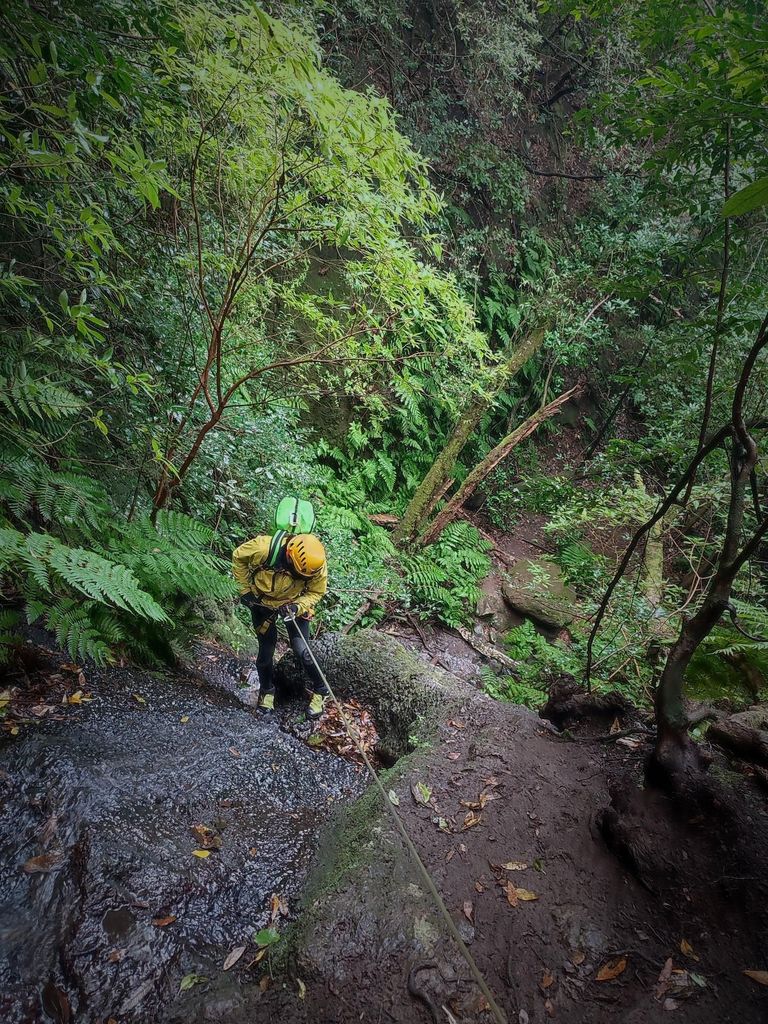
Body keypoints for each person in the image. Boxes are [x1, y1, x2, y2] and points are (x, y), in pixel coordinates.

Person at [232, 532, 329, 718]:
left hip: (294, 605)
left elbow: (316, 592)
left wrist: (297, 606)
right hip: (262, 603)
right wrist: (245, 590)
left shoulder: (316, 566)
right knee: (266, 652)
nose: (298, 576)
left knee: (303, 650)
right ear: (290, 557)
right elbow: (238, 557)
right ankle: (267, 692)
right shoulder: (263, 548)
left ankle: (321, 690)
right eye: (297, 572)